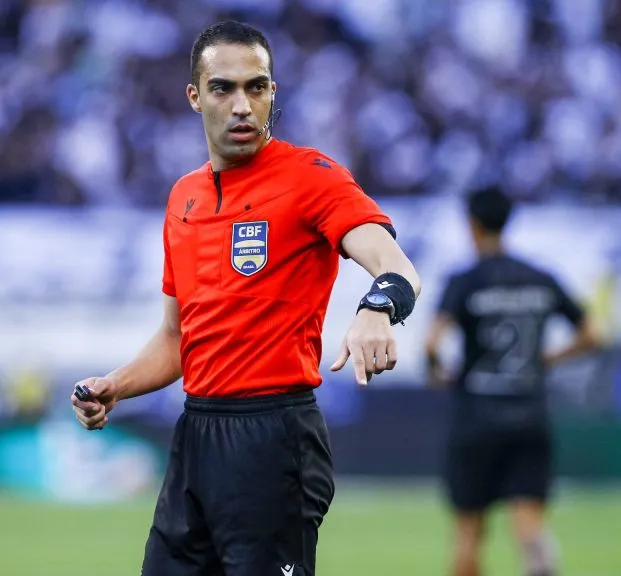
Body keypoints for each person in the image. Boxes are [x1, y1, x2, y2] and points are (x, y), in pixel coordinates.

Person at [70, 20, 421, 576]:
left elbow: (396, 265)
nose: (242, 105)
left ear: (272, 94)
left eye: (256, 87)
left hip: (274, 436)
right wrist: (117, 385)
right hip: (196, 437)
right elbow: (177, 337)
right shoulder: (183, 198)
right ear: (194, 97)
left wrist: (377, 308)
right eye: (223, 88)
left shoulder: (312, 179)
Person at [424, 186, 599, 576]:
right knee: (528, 521)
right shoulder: (539, 277)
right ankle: (539, 558)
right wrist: (549, 358)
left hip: (476, 415)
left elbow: (432, 341)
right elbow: (592, 334)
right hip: (529, 412)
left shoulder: (466, 280)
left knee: (469, 531)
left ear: (471, 225)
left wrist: (438, 371)